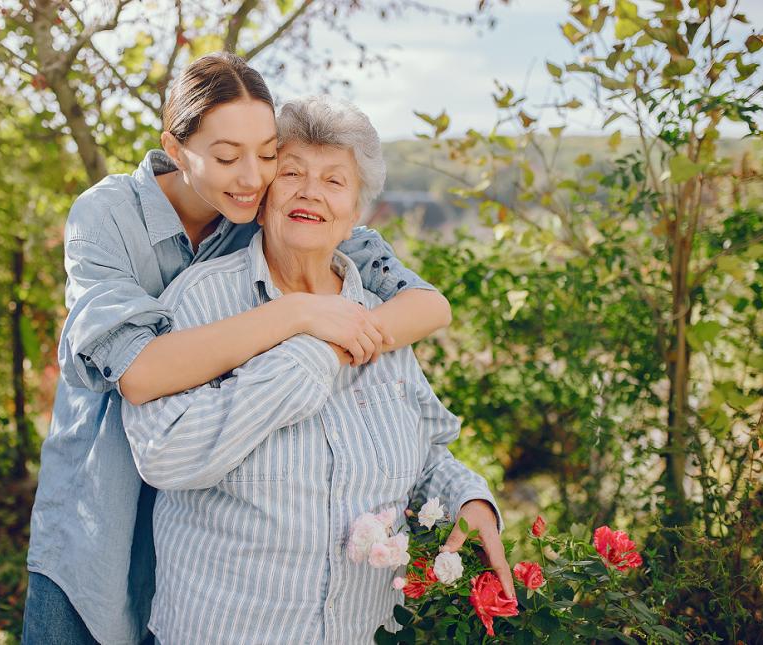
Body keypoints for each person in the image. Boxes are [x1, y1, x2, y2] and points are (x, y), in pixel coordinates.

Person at [23, 54, 453, 644]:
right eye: (227, 157)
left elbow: (426, 305)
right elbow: (141, 374)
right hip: (106, 497)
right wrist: (301, 316)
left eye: (268, 153)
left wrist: (343, 341)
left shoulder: (269, 208)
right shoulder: (108, 215)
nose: (252, 176)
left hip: (208, 513)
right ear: (175, 149)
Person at [121, 95, 509, 645]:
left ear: (356, 213)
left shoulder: (381, 318)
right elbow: (163, 454)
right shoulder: (199, 302)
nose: (310, 192)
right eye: (292, 173)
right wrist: (310, 353)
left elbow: (421, 452)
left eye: (334, 181)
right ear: (260, 196)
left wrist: (468, 496)